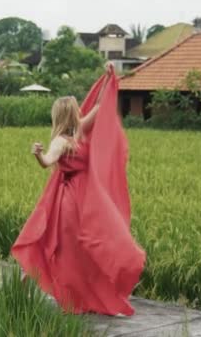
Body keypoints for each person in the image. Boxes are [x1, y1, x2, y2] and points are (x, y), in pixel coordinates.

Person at [11, 62, 146, 316]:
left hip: (90, 197)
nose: (79, 111)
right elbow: (49, 161)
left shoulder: (81, 130)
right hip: (71, 199)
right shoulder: (61, 142)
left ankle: (87, 294)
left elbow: (99, 105)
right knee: (71, 249)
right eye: (74, 109)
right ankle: (74, 297)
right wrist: (38, 155)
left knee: (99, 241)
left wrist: (108, 77)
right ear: (68, 114)